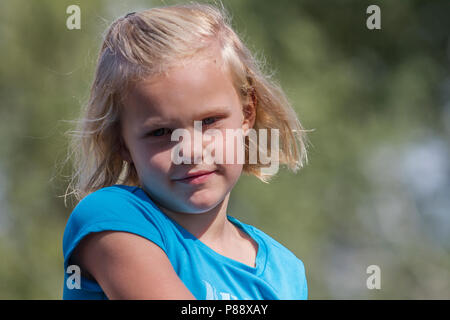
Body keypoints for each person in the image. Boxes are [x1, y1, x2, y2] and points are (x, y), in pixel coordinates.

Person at [62, 2, 309, 300]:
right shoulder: (110, 218)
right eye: (161, 132)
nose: (189, 151)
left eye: (209, 121)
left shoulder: (287, 272)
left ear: (247, 114)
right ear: (122, 143)